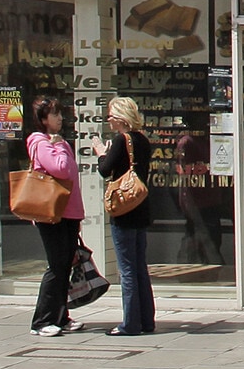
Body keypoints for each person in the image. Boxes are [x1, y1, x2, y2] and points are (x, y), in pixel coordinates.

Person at [24, 96, 85, 336]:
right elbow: (61, 169)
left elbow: (71, 175)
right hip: (51, 214)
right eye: (54, 114)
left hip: (68, 213)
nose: (60, 118)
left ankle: (61, 316)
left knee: (65, 265)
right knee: (56, 266)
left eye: (60, 113)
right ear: (42, 119)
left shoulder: (59, 142)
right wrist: (58, 145)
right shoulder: (41, 142)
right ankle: (41, 321)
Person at [96, 94, 156, 336]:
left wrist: (101, 151)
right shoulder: (143, 140)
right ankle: (147, 320)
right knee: (140, 266)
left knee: (127, 269)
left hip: (123, 210)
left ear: (120, 119)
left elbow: (104, 170)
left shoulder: (121, 140)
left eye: (111, 116)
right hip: (140, 208)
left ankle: (130, 323)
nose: (109, 121)